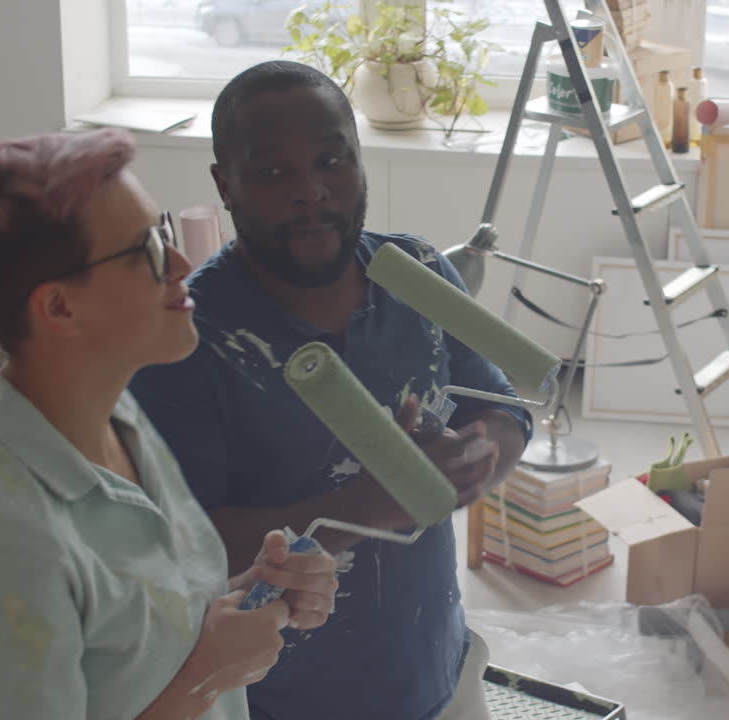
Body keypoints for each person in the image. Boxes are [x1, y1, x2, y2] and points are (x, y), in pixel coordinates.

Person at [129, 60, 531, 720]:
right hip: (283, 701)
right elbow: (183, 548)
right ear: (223, 184)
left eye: (332, 160)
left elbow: (503, 405)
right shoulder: (187, 339)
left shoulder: (419, 273)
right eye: (273, 172)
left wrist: (478, 452)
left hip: (438, 674)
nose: (311, 191)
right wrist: (370, 504)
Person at [0, 129, 339, 720]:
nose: (181, 263)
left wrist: (252, 593)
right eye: (145, 249)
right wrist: (205, 679)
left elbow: (132, 635)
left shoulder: (112, 410)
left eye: (161, 231)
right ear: (59, 308)